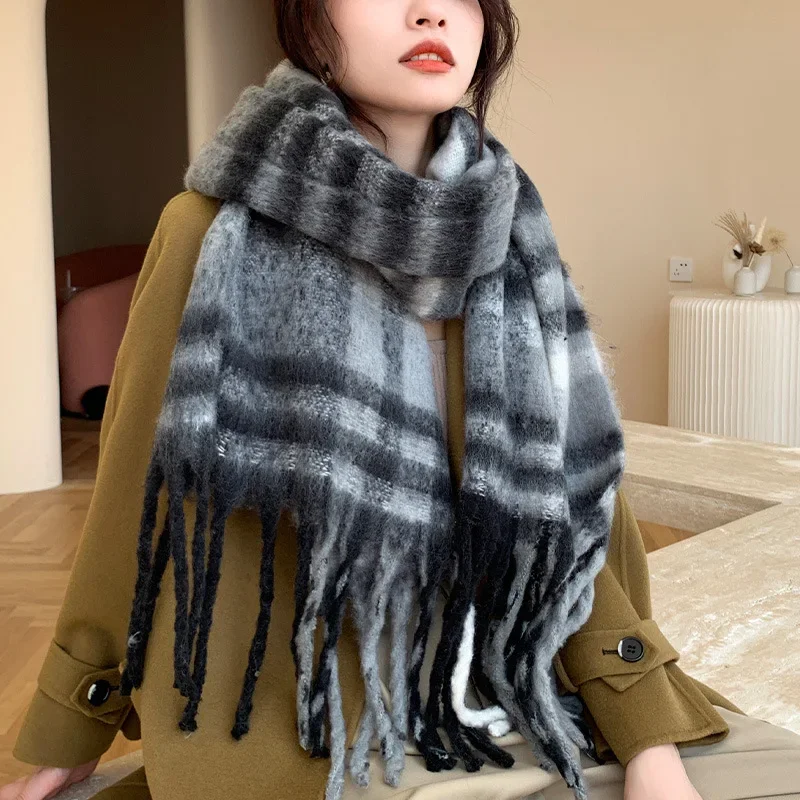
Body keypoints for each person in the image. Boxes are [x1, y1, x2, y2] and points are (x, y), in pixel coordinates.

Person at [4, 2, 800, 799]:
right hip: (323, 728)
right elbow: (134, 496)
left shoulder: (511, 232)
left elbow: (575, 514)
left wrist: (646, 738)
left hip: (518, 691)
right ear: (309, 21)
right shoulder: (211, 229)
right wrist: (76, 719)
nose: (429, 14)